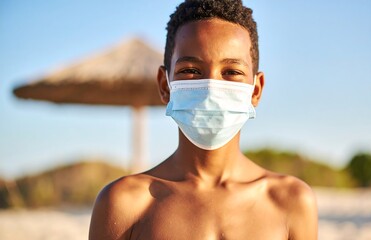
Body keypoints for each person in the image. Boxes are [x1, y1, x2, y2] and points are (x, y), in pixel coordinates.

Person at [89, 0, 318, 239]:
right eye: (191, 70)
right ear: (164, 85)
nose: (211, 88)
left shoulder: (291, 202)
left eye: (231, 72)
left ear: (256, 90)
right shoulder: (124, 204)